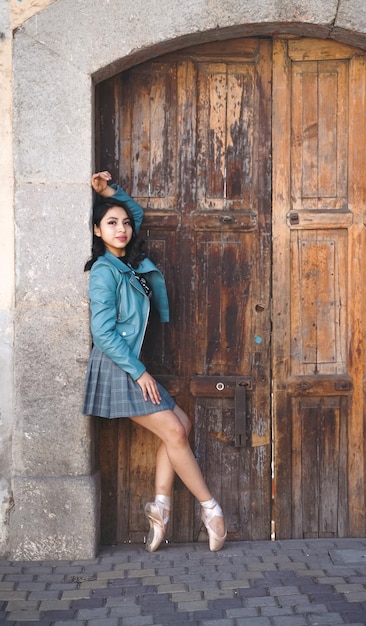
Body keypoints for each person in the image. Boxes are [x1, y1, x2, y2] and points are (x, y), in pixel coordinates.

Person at [83, 171, 226, 552]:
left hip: (127, 364)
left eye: (124, 223)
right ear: (97, 231)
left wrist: (108, 193)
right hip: (118, 367)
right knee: (176, 431)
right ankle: (211, 509)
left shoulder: (126, 264)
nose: (122, 228)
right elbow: (103, 333)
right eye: (111, 223)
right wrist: (140, 371)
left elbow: (136, 214)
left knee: (181, 424)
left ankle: (160, 507)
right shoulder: (104, 271)